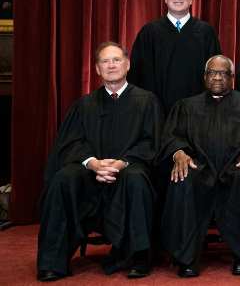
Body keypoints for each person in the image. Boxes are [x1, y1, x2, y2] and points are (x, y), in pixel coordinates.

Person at [37, 42, 164, 281]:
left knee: (137, 179)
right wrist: (92, 163)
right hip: (90, 174)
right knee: (63, 179)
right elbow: (71, 143)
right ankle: (52, 262)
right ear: (97, 69)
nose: (111, 65)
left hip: (128, 169)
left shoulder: (147, 101)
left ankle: (139, 257)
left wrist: (121, 163)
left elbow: (152, 143)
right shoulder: (84, 105)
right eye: (105, 61)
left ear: (127, 64)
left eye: (116, 60)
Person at [159, 55, 240, 277]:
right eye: (212, 73)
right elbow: (170, 136)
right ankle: (186, 257)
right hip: (199, 169)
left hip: (236, 167)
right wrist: (178, 152)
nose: (217, 77)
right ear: (204, 77)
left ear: (232, 77)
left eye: (223, 73)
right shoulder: (186, 106)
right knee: (182, 179)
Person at [129, 0, 221, 114]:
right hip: (156, 114)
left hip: (198, 114)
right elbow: (136, 75)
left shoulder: (206, 32)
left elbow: (216, 75)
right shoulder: (149, 32)